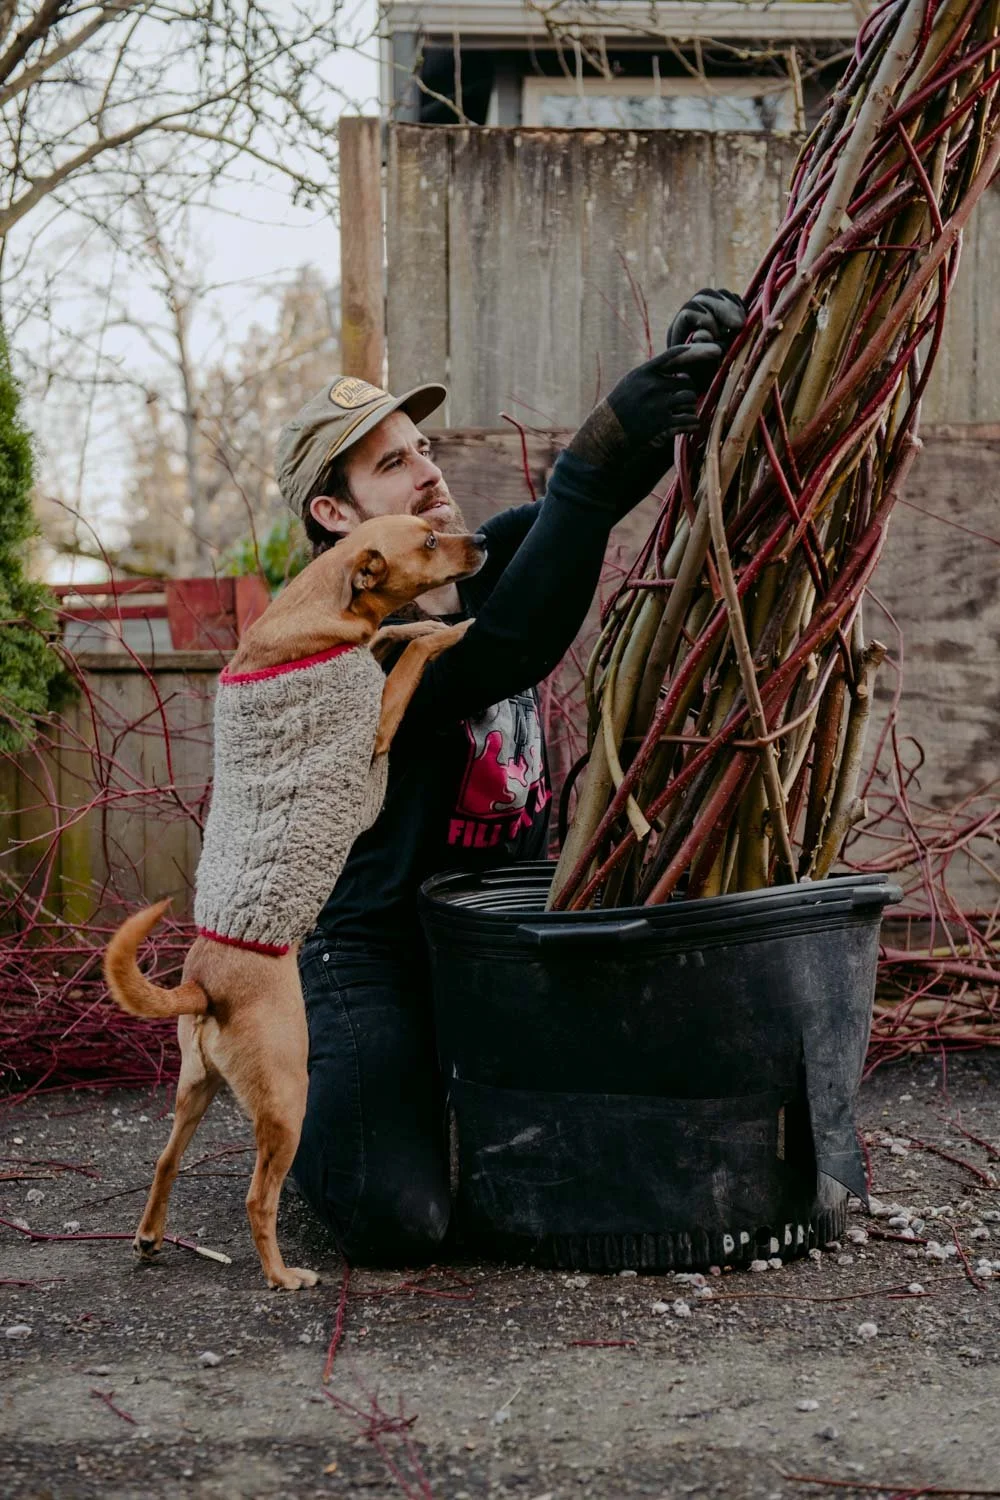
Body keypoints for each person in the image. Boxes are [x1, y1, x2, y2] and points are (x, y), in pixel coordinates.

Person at [277, 290, 746, 1265]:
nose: (427, 470)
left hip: (494, 946)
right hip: (371, 956)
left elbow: (590, 502)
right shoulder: (344, 646)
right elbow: (507, 649)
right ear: (334, 511)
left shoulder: (478, 566)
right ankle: (305, 1089)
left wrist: (692, 379)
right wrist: (588, 458)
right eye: (391, 463)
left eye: (424, 448)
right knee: (396, 1218)